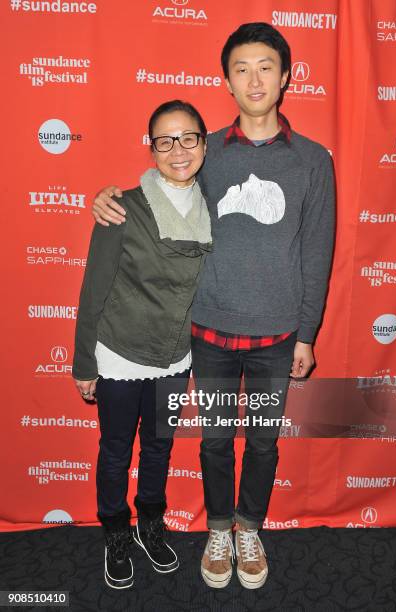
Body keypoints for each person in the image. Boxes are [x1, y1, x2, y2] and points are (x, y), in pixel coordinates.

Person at [92, 22, 335, 590]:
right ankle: (219, 530)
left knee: (265, 442)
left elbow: (317, 252)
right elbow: (160, 188)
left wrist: (307, 334)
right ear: (226, 80)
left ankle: (250, 527)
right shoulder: (206, 155)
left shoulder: (312, 160)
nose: (254, 79)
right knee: (218, 441)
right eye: (242, 68)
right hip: (210, 333)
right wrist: (106, 196)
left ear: (286, 77)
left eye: (266, 67)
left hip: (278, 336)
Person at [72, 99, 211, 590]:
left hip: (176, 355)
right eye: (165, 140)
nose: (178, 150)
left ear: (204, 143)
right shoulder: (122, 207)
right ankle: (115, 531)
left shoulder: (216, 209)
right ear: (151, 149)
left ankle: (150, 523)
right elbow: (94, 289)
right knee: (115, 450)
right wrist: (83, 362)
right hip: (120, 354)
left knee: (158, 447)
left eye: (188, 138)